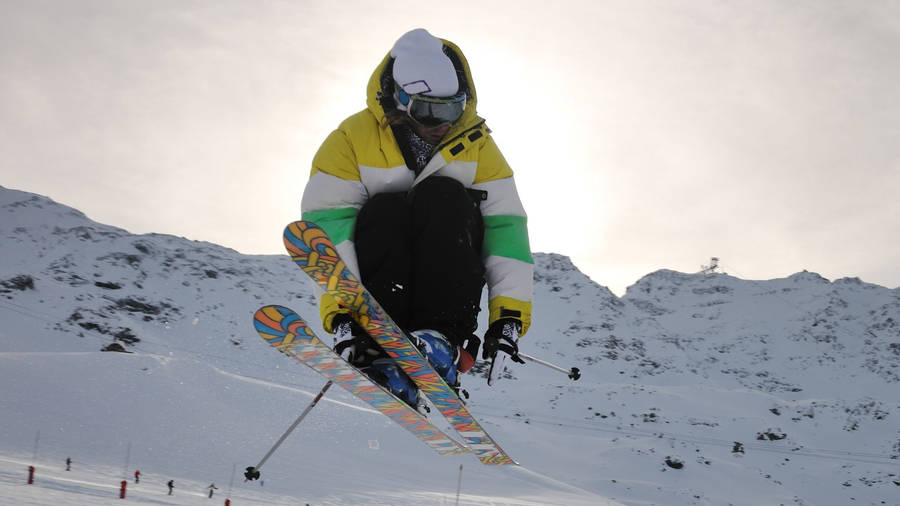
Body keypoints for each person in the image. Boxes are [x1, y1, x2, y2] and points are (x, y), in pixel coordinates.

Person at [300, 28, 533, 408]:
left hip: (448, 286)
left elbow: (506, 230)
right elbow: (331, 230)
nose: (443, 124)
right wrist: (343, 315)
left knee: (443, 196)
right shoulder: (350, 140)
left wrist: (508, 317)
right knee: (385, 209)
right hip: (380, 287)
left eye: (453, 110)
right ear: (401, 100)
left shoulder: (478, 146)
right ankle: (382, 347)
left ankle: (440, 341)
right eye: (430, 111)